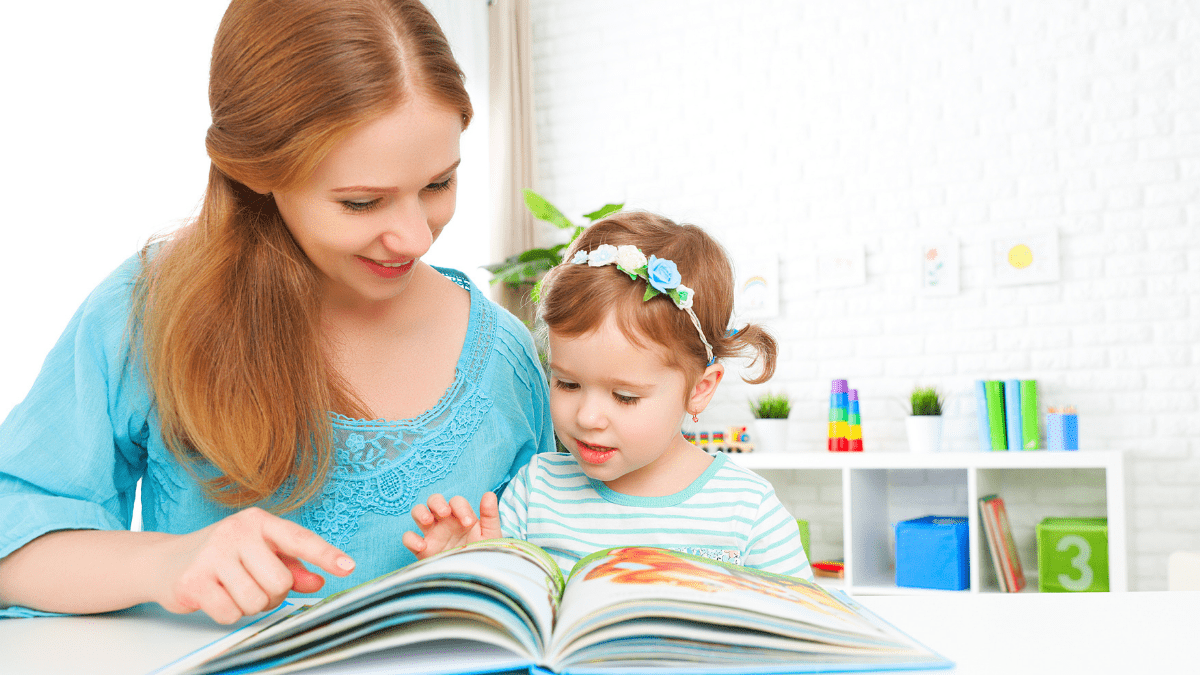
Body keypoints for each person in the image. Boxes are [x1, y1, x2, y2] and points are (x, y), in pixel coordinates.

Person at [0, 0, 553, 624]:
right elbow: (13, 541)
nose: (415, 238)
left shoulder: (505, 360)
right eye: (363, 202)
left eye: (438, 185)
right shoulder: (148, 312)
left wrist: (496, 567)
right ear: (258, 169)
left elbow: (554, 569)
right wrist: (165, 565)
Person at [403, 212, 813, 580]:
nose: (588, 417)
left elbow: (811, 636)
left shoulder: (748, 512)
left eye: (625, 397)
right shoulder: (536, 492)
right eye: (567, 384)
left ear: (700, 390)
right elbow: (502, 621)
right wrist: (464, 568)